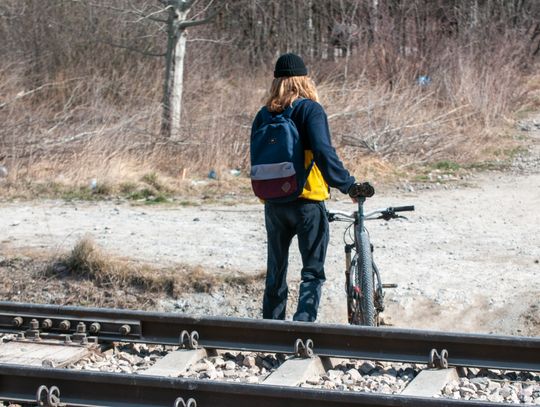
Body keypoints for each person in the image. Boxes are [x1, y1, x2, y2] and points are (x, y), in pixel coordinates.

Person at [251, 53, 373, 322]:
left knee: (276, 272)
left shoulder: (264, 114)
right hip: (307, 201)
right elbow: (322, 152)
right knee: (312, 272)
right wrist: (348, 185)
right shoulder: (309, 110)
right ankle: (302, 327)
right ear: (304, 79)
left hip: (273, 203)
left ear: (277, 82)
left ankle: (271, 331)